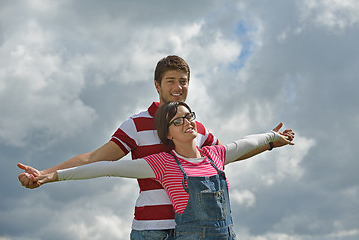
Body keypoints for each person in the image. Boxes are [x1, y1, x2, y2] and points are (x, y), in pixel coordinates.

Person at [18, 55, 294, 240]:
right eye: (171, 81)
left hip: (202, 231)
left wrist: (272, 142)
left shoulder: (195, 128)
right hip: (153, 229)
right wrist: (45, 174)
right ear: (157, 85)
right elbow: (96, 159)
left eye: (183, 81)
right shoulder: (136, 124)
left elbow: (230, 154)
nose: (178, 87)